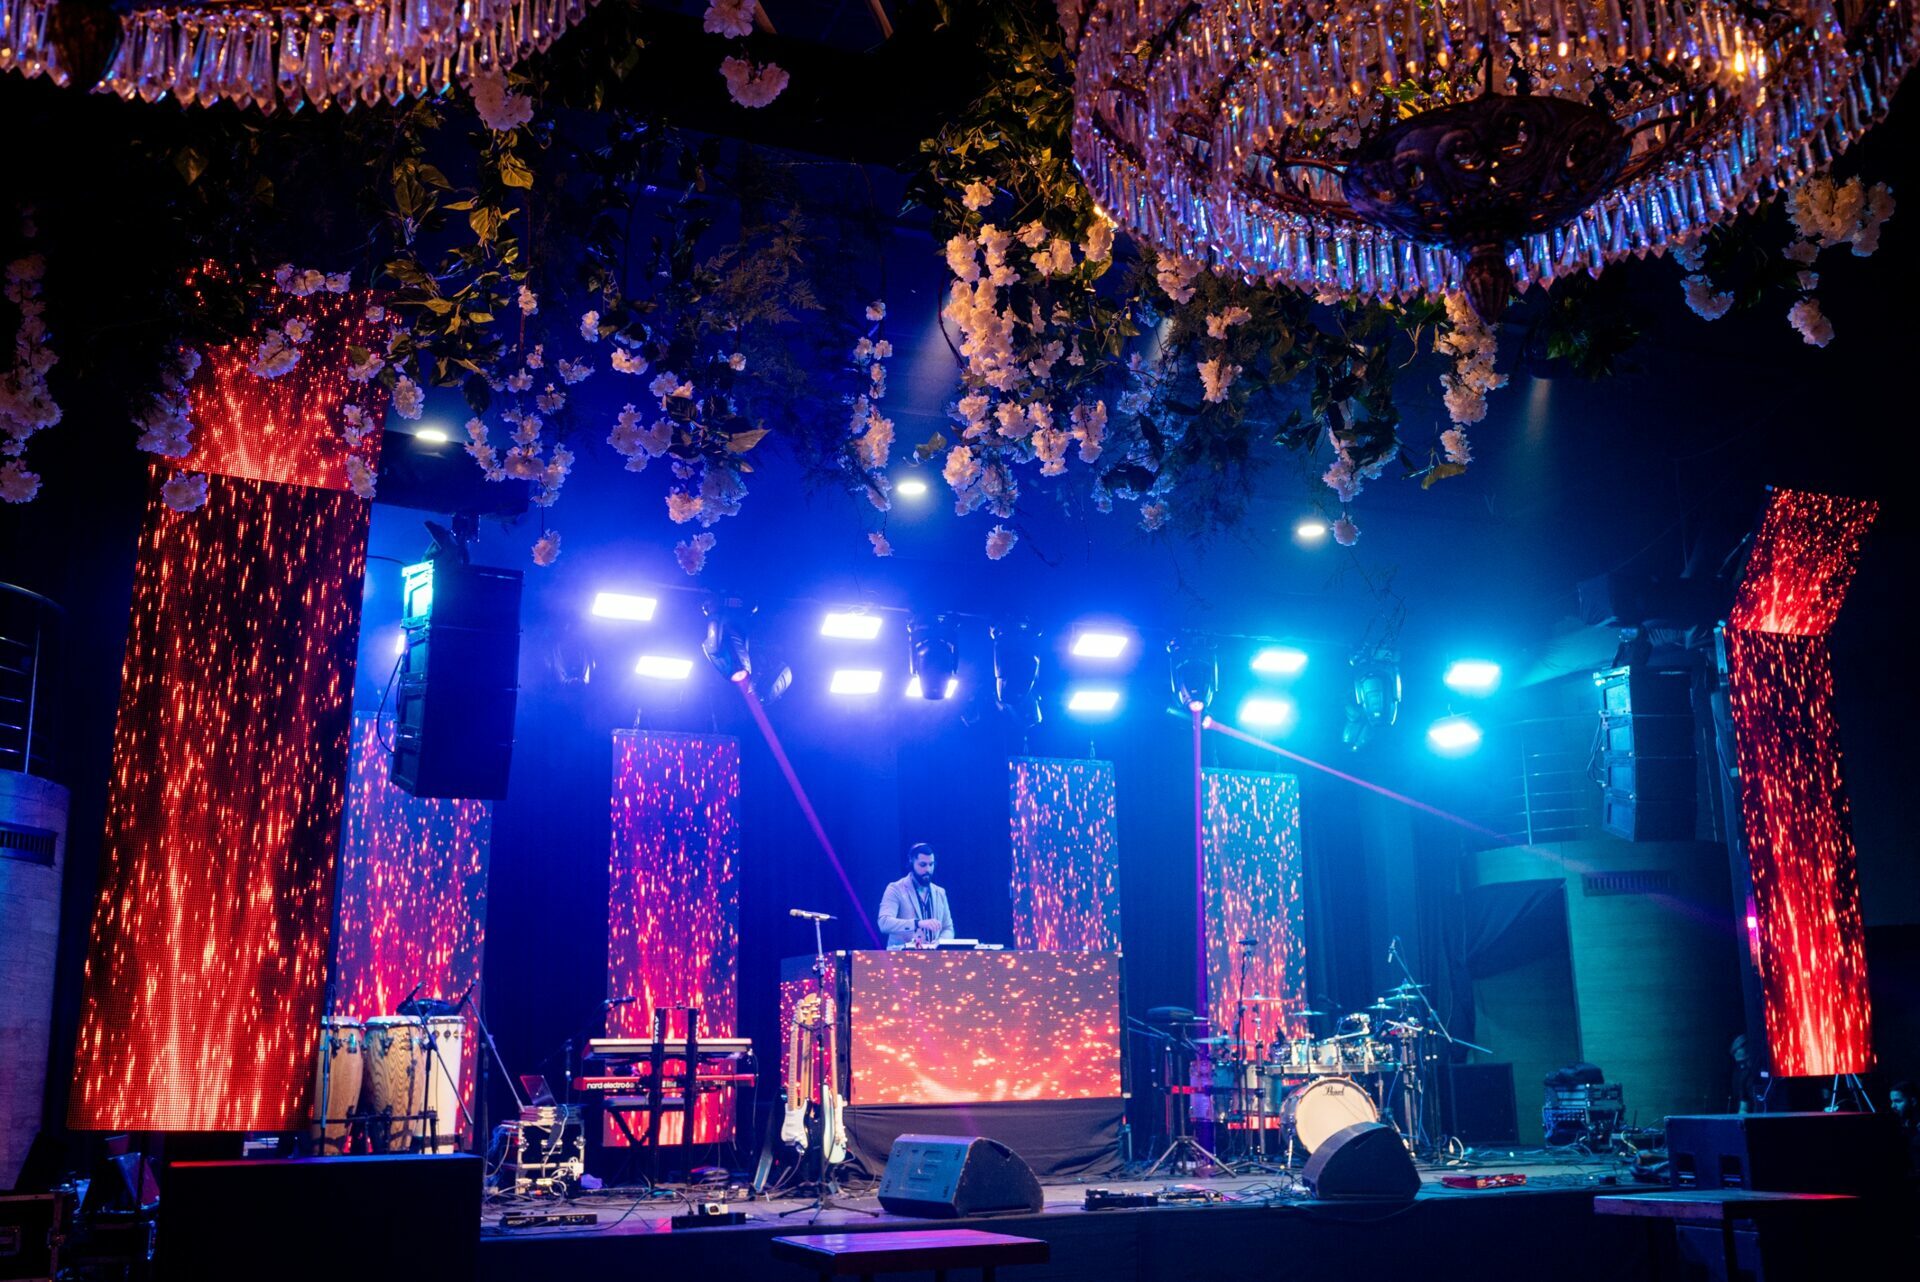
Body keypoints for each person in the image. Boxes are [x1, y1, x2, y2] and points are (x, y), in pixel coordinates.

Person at [878, 843, 954, 949]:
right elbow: (884, 923)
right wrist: (917, 923)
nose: (928, 869)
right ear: (911, 863)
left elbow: (948, 928)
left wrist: (939, 943)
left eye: (931, 864)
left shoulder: (940, 892)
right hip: (902, 956)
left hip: (934, 957)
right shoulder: (895, 889)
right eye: (923, 865)